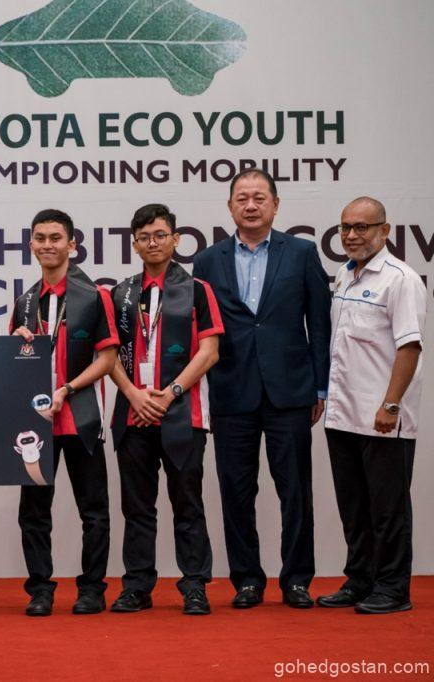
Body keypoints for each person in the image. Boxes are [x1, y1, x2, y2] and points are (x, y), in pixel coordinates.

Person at [192, 169, 331, 609]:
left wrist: (321, 387)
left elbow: (320, 324)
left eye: (259, 198)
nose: (250, 206)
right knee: (235, 490)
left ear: (275, 204)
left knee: (295, 491)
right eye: (242, 198)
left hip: (290, 390)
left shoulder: (302, 253)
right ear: (230, 206)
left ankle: (297, 580)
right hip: (231, 389)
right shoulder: (207, 260)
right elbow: (201, 329)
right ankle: (247, 580)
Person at [108, 204, 223, 616]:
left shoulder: (197, 290)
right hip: (132, 413)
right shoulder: (121, 293)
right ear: (134, 244)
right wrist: (133, 394)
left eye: (159, 235)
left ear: (175, 239)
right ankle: (137, 586)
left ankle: (194, 586)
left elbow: (209, 352)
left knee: (187, 504)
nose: (152, 243)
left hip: (183, 413)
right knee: (137, 507)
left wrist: (170, 392)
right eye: (144, 237)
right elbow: (108, 354)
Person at [318, 197, 425, 615]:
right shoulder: (344, 275)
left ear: (385, 230)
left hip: (382, 418)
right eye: (345, 227)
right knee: (354, 507)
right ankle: (360, 580)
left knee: (388, 510)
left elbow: (409, 347)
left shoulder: (400, 279)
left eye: (361, 227)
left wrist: (391, 405)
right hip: (342, 415)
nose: (351, 235)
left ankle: (393, 588)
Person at [10, 209, 119, 617]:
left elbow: (107, 358)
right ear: (31, 244)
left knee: (94, 512)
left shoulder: (95, 296)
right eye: (40, 238)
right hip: (36, 426)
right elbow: (12, 365)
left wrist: (68, 388)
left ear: (72, 244)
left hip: (82, 419)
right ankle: (40, 589)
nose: (47, 245)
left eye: (56, 238)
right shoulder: (24, 302)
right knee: (34, 513)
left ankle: (92, 589)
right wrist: (16, 341)